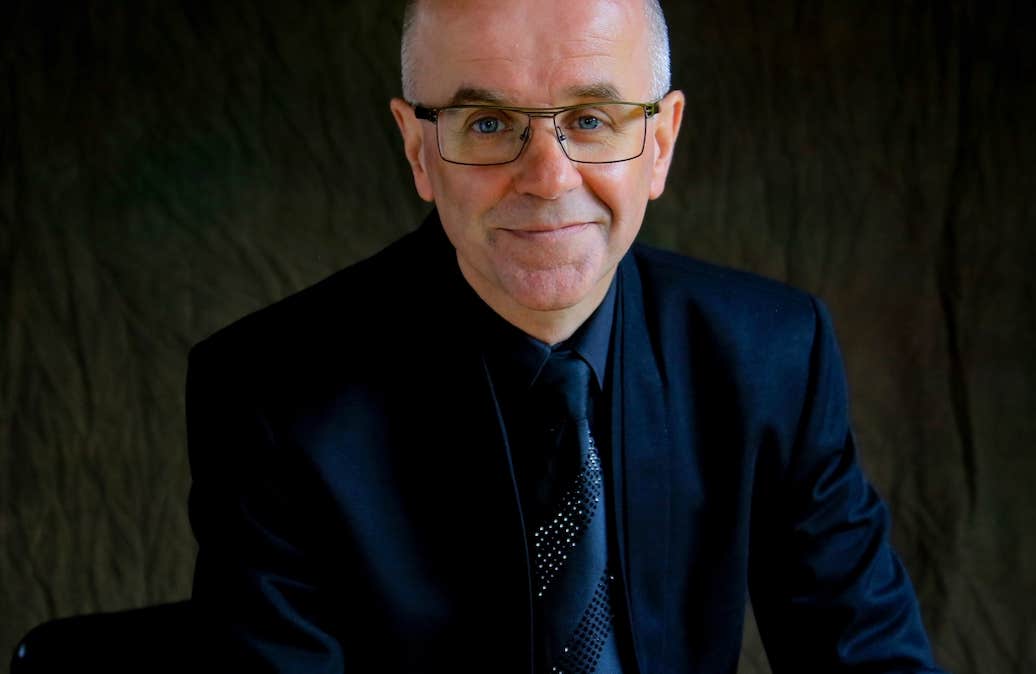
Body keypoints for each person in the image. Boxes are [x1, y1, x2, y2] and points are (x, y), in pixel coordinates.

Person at [185, 0, 946, 672]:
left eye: (589, 120)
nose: (547, 178)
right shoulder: (268, 395)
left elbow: (867, 657)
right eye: (487, 123)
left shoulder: (771, 355)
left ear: (659, 142)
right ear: (418, 149)